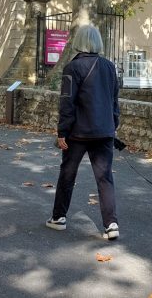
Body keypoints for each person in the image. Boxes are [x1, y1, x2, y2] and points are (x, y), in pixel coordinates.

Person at [46, 24, 121, 240]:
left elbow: (67, 103)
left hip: (78, 133)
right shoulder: (109, 67)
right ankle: (111, 224)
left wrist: (62, 131)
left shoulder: (72, 68)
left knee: (68, 174)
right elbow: (114, 101)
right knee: (105, 178)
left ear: (78, 42)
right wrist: (113, 125)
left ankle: (59, 217)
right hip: (104, 131)